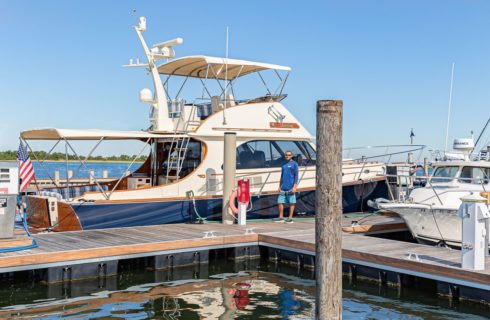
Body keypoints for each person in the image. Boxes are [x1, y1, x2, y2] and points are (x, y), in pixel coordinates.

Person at [275, 150, 298, 223]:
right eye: (286, 155)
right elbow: (281, 176)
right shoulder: (283, 164)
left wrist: (294, 187)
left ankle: (290, 217)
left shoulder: (295, 164)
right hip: (283, 187)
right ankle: (281, 217)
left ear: (291, 156)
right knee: (279, 201)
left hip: (291, 187)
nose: (287, 156)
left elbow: (296, 176)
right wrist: (279, 186)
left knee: (292, 202)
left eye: (288, 155)